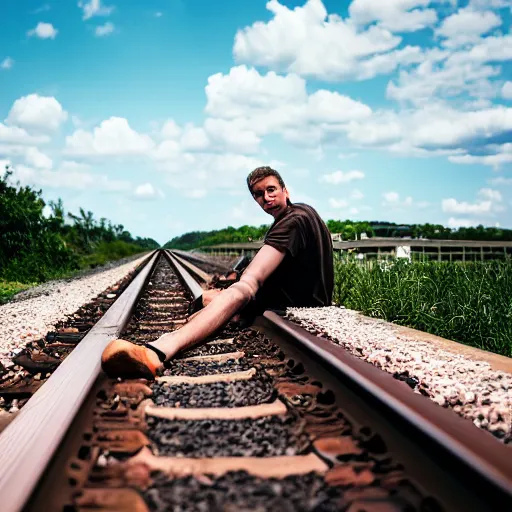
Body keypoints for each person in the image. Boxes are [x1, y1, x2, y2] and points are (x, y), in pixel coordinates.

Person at [101, 166, 334, 379]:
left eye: (271, 190)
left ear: (285, 190)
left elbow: (249, 284)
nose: (267, 198)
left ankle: (160, 350)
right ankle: (212, 316)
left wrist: (240, 287)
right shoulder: (304, 212)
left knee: (228, 294)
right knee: (211, 297)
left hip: (295, 304)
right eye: (259, 194)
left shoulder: (291, 222)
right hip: (311, 297)